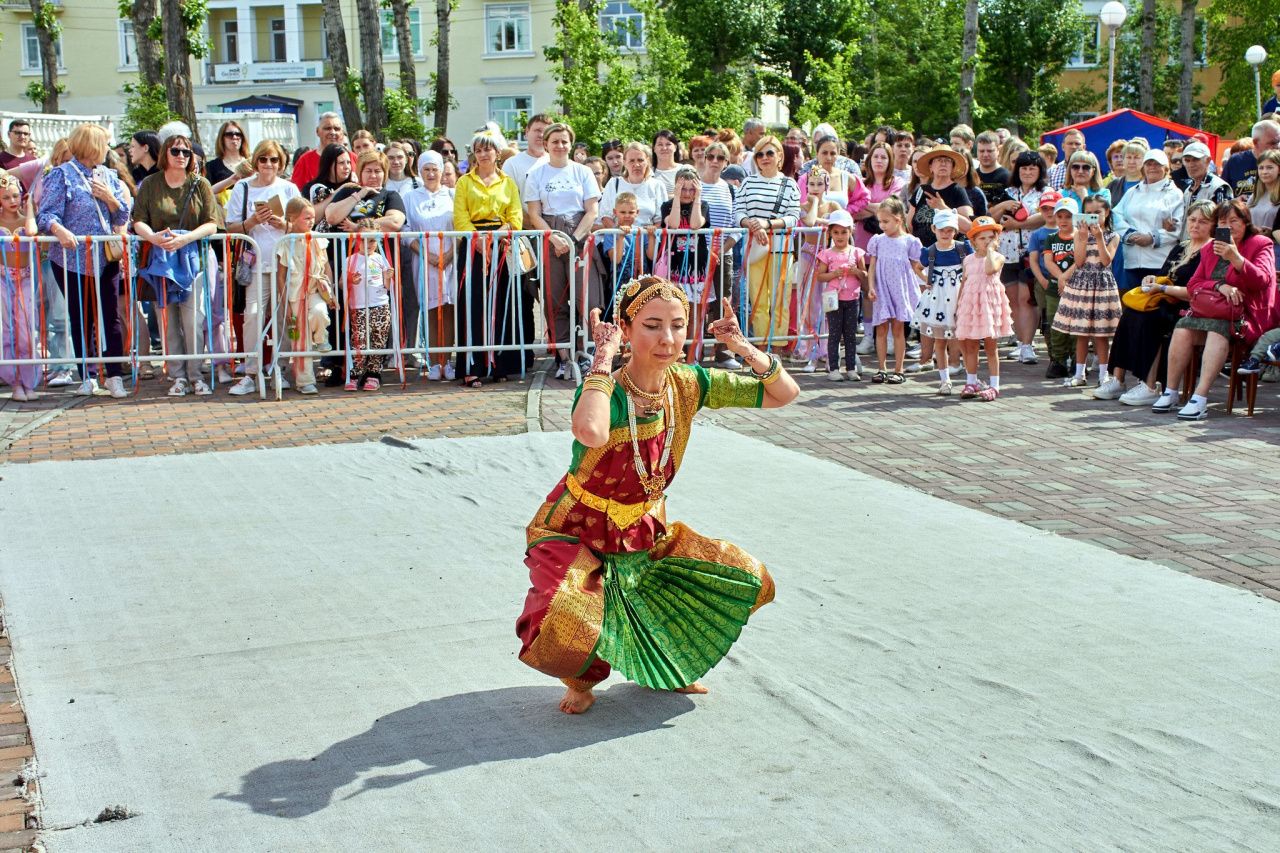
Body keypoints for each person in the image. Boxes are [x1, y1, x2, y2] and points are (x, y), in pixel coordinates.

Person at [517, 275, 798, 715]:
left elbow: (784, 394)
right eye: (652, 325)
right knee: (569, 609)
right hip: (578, 524)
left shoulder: (688, 383)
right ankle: (581, 682)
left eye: (678, 325)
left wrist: (741, 347)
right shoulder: (605, 390)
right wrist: (603, 359)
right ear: (626, 330)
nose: (668, 339)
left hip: (643, 522)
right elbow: (589, 432)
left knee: (724, 577)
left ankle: (668, 666)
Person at [1157, 198, 1277, 419]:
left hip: (1245, 315)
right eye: (1223, 221)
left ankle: (1200, 397)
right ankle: (1171, 391)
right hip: (1213, 309)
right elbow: (1193, 285)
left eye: (1234, 220)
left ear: (1245, 221)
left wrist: (1236, 258)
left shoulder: (1260, 243)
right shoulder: (1210, 248)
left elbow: (1263, 280)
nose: (1229, 226)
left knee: (1217, 328)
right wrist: (1219, 285)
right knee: (1182, 326)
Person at [36, 123, 132, 399]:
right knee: (81, 316)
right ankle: (87, 375)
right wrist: (59, 230)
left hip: (105, 256)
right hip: (70, 258)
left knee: (111, 315)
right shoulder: (61, 175)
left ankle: (114, 375)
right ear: (92, 146)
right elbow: (46, 215)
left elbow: (122, 217)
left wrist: (110, 198)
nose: (108, 149)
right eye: (104, 144)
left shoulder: (109, 176)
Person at [131, 122, 219, 398]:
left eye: (186, 151)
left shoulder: (200, 184)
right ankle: (177, 376)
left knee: (193, 321)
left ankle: (196, 375)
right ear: (165, 154)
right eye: (176, 151)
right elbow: (138, 221)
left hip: (194, 260)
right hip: (162, 261)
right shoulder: (151, 184)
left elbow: (212, 224)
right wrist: (155, 238)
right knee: (168, 322)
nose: (181, 155)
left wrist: (186, 238)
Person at [1105, 200, 1215, 405]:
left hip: (1188, 305)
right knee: (1131, 311)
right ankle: (1117, 379)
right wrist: (1152, 281)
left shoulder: (1211, 251)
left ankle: (1149, 385)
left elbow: (1197, 291)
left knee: (1153, 317)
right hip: (1166, 298)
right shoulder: (1182, 247)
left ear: (1213, 225)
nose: (1196, 225)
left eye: (1203, 221)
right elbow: (1163, 275)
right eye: (1192, 220)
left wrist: (1162, 288)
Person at [523, 121, 601, 377]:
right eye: (554, 141)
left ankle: (586, 352)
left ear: (570, 143)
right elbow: (534, 213)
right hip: (550, 236)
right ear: (546, 144)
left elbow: (592, 211)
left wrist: (574, 240)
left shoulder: (582, 172)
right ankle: (564, 357)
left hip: (579, 236)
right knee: (554, 300)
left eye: (564, 141)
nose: (560, 145)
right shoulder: (536, 174)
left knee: (585, 299)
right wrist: (555, 238)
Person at [224, 139, 301, 395]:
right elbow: (230, 226)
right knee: (253, 316)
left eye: (274, 160)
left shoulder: (289, 188)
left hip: (283, 262)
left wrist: (283, 224)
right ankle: (251, 371)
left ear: (281, 163)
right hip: (255, 262)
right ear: (256, 161)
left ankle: (279, 367)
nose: (268, 164)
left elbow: (303, 224)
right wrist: (252, 221)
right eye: (264, 159)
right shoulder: (242, 188)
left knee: (282, 317)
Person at [453, 127, 522, 387]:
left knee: (501, 304)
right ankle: (472, 365)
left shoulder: (508, 182)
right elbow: (460, 218)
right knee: (472, 305)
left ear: (497, 153)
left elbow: (515, 217)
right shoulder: (464, 182)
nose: (483, 154)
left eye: (488, 149)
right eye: (478, 150)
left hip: (501, 243)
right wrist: (480, 243)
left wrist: (496, 238)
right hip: (473, 245)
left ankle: (499, 364)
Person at [733, 135, 801, 347]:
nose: (764, 157)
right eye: (759, 154)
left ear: (779, 156)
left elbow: (794, 216)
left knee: (780, 298)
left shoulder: (789, 184)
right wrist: (752, 224)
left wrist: (767, 224)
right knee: (758, 298)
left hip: (781, 248)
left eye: (769, 153)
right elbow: (738, 212)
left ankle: (778, 346)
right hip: (754, 248)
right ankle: (762, 345)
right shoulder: (748, 182)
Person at [1053, 195, 1121, 388]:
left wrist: (1098, 237)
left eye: (1097, 213)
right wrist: (1083, 238)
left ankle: (1103, 375)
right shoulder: (1078, 234)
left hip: (1102, 285)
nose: (1093, 217)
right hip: (1082, 285)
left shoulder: (1113, 236)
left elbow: (1106, 261)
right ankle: (1079, 374)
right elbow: (1080, 261)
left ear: (1107, 213)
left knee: (1101, 334)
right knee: (1081, 333)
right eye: (1088, 213)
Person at [402, 151, 457, 381]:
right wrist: (427, 254)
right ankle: (435, 362)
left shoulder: (452, 194)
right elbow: (405, 231)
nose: (431, 173)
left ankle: (449, 360)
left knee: (450, 308)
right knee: (432, 310)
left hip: (450, 260)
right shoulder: (410, 197)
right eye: (427, 169)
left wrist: (450, 253)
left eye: (435, 169)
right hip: (425, 262)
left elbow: (461, 226)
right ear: (420, 171)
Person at [988, 151, 1048, 364]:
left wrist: (1019, 224)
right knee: (1012, 299)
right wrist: (1003, 206)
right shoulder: (1006, 192)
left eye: (1032, 168)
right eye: (1024, 168)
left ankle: (1028, 345)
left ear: (1040, 170)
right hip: (1006, 253)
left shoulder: (1045, 193)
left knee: (1027, 299)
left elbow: (1045, 216)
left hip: (1031, 254)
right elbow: (990, 218)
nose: (1028, 172)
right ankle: (1021, 341)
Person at [275, 197, 334, 395]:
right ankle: (304, 380)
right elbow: (281, 274)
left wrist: (330, 289)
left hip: (314, 289)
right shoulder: (285, 241)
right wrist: (283, 299)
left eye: (313, 218)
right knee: (298, 338)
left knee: (320, 313)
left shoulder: (317, 237)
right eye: (306, 218)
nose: (310, 222)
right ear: (292, 218)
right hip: (294, 294)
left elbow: (326, 266)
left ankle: (321, 336)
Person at [954, 216, 1011, 401]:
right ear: (973, 241)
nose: (987, 241)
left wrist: (990, 252)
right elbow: (964, 282)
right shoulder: (968, 259)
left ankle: (995, 385)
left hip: (988, 305)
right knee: (970, 345)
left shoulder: (998, 257)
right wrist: (959, 305)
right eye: (982, 238)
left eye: (990, 237)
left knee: (990, 346)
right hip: (971, 305)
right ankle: (972, 381)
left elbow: (989, 269)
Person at [866, 197, 922, 383]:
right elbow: (872, 266)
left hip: (899, 289)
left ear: (898, 219)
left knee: (899, 329)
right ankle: (881, 368)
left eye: (886, 221)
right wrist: (871, 286)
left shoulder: (909, 241)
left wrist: (925, 281)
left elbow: (916, 267)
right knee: (881, 329)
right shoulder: (878, 241)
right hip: (882, 289)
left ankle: (899, 370)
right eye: (880, 221)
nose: (882, 225)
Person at [913, 210, 968, 391]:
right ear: (933, 228)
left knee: (962, 337)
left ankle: (966, 373)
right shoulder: (930, 251)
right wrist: (926, 281)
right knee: (939, 339)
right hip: (937, 300)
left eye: (950, 230)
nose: (946, 233)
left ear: (956, 231)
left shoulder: (963, 248)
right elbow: (918, 267)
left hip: (959, 297)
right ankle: (944, 379)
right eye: (942, 229)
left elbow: (971, 267)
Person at [1114, 149, 1183, 290]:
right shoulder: (1132, 192)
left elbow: (1178, 228)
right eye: (1148, 164)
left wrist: (1152, 238)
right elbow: (1115, 216)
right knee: (1132, 305)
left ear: (1166, 168)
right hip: (1132, 261)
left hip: (1159, 261)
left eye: (1157, 164)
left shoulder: (1174, 193)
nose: (1152, 167)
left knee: (1155, 306)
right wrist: (1130, 234)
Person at [1028, 196, 1080, 379]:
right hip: (1053, 289)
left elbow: (1080, 261)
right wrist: (1060, 278)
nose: (1064, 220)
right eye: (1060, 216)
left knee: (1075, 325)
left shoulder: (1081, 237)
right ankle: (1058, 360)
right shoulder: (1050, 238)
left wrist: (1064, 278)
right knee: (1054, 325)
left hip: (1076, 289)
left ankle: (1076, 360)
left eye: (1068, 216)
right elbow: (1048, 261)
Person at [815, 209, 866, 381]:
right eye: (836, 232)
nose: (840, 236)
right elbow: (820, 276)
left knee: (850, 335)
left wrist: (856, 271)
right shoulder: (826, 254)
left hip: (852, 299)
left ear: (850, 231)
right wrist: (834, 274)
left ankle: (851, 368)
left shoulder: (857, 252)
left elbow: (864, 274)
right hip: (833, 300)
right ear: (830, 233)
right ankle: (834, 369)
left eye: (844, 232)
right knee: (835, 335)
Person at [0, 175, 39, 400]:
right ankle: (14, 382)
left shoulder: (26, 218)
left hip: (25, 279)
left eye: (15, 195)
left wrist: (30, 209)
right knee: (7, 331)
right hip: (3, 280)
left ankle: (28, 381)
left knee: (25, 331)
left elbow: (32, 232)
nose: (12, 200)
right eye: (6, 197)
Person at [906, 147, 974, 247]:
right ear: (930, 166)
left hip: (947, 256)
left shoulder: (957, 191)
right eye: (939, 160)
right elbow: (910, 226)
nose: (943, 163)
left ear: (952, 167)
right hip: (921, 255)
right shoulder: (920, 191)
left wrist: (943, 208)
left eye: (947, 161)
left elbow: (970, 227)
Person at [598, 141, 668, 227]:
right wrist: (622, 235)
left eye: (640, 160)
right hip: (619, 237)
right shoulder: (613, 183)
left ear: (647, 161)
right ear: (624, 162)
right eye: (631, 161)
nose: (636, 164)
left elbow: (660, 220)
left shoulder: (657, 185)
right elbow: (605, 217)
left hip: (647, 238)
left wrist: (646, 236)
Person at [1179, 141, 1232, 236]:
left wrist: (1218, 248)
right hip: (1188, 247)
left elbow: (1224, 223)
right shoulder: (1188, 189)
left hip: (1208, 247)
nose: (1191, 164)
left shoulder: (1219, 187)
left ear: (1208, 160)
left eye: (1195, 160)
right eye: (1187, 160)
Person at [290, 113, 354, 190]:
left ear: (342, 133)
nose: (333, 132)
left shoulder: (354, 159)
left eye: (337, 129)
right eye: (327, 128)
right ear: (317, 131)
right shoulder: (304, 161)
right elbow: (297, 197)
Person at [1222, 120, 1280, 200]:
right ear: (1256, 142)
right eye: (1273, 143)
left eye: (1279, 142)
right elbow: (1223, 195)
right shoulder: (1236, 161)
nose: (1277, 146)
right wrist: (1235, 202)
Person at [503, 113, 550, 200]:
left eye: (545, 132)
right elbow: (508, 199)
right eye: (538, 130)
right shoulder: (512, 164)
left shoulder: (556, 162)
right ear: (527, 132)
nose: (541, 135)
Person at [1247, 149, 1280, 266]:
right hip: (1251, 249)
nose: (1264, 172)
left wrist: (1272, 232)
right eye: (1261, 168)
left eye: (1269, 167)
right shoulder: (1255, 196)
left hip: (1275, 251)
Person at [206, 121, 249, 197]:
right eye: (229, 135)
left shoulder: (252, 163)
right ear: (222, 139)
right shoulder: (211, 166)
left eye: (238, 134)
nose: (235, 137)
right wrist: (231, 181)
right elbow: (207, 193)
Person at [974, 131, 1009, 201]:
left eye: (990, 151)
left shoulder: (1007, 177)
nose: (985, 155)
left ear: (998, 150)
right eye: (981, 151)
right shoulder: (972, 175)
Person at [651, 130, 683, 194]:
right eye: (660, 144)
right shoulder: (648, 173)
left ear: (675, 147)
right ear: (654, 148)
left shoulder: (684, 170)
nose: (664, 148)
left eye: (668, 144)